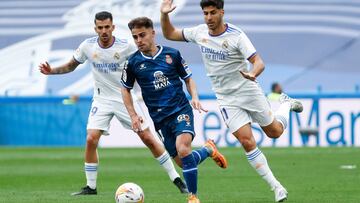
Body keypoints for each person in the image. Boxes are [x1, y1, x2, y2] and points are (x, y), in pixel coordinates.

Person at [160, 0, 304, 202]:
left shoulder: (236, 36)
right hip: (227, 99)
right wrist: (164, 14)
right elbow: (169, 34)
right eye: (205, 13)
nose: (209, 18)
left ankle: (286, 104)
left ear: (222, 12)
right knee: (247, 141)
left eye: (212, 13)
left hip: (248, 90)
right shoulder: (199, 32)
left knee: (274, 132)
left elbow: (258, 62)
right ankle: (277, 187)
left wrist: (253, 73)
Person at [39, 11, 188, 195]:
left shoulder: (126, 47)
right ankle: (91, 187)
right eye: (100, 28)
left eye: (107, 27)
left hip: (124, 98)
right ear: (95, 29)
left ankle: (176, 179)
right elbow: (71, 65)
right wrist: (51, 70)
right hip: (101, 99)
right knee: (91, 138)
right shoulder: (87, 46)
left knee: (148, 138)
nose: (104, 31)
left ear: (113, 27)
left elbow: (145, 61)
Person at [121, 16, 228, 203]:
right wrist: (133, 115)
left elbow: (188, 78)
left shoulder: (172, 54)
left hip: (180, 110)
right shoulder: (133, 63)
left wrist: (194, 97)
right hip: (159, 119)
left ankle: (193, 196)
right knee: (182, 161)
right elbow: (125, 89)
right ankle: (208, 150)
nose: (139, 40)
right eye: (135, 37)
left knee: (183, 149)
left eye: (142, 35)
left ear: (153, 33)